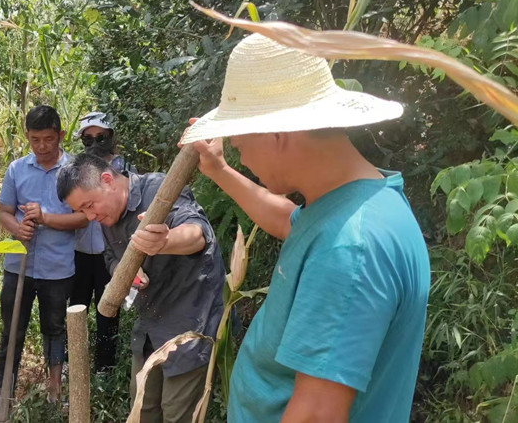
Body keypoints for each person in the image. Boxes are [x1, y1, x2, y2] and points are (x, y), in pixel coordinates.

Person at [179, 33, 430, 422]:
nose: (239, 152)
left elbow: (315, 414)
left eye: (239, 139)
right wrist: (218, 169)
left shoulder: (349, 250)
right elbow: (288, 220)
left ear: (277, 133)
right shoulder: (356, 206)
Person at [57, 153, 225, 423]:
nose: (89, 216)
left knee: (177, 414)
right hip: (149, 326)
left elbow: (198, 233)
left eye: (89, 205)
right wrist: (124, 272)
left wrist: (166, 240)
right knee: (141, 409)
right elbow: (112, 258)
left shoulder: (160, 191)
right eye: (81, 211)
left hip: (191, 324)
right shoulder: (105, 217)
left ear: (108, 180)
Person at [0, 105, 88, 419]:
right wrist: (18, 227)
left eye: (49, 139)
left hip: (58, 268)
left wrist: (45, 219)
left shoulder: (75, 170)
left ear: (61, 136)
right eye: (35, 139)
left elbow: (83, 217)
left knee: (55, 329)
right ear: (27, 137)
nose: (42, 146)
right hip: (19, 267)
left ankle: (55, 391)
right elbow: (4, 212)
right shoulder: (17, 169)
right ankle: (3, 394)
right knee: (11, 330)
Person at [71, 111, 133, 372]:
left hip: (113, 253)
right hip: (82, 250)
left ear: (112, 137)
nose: (95, 145)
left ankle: (104, 365)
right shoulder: (75, 171)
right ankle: (75, 361)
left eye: (101, 137)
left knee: (108, 309)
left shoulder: (125, 170)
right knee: (77, 308)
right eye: (88, 139)